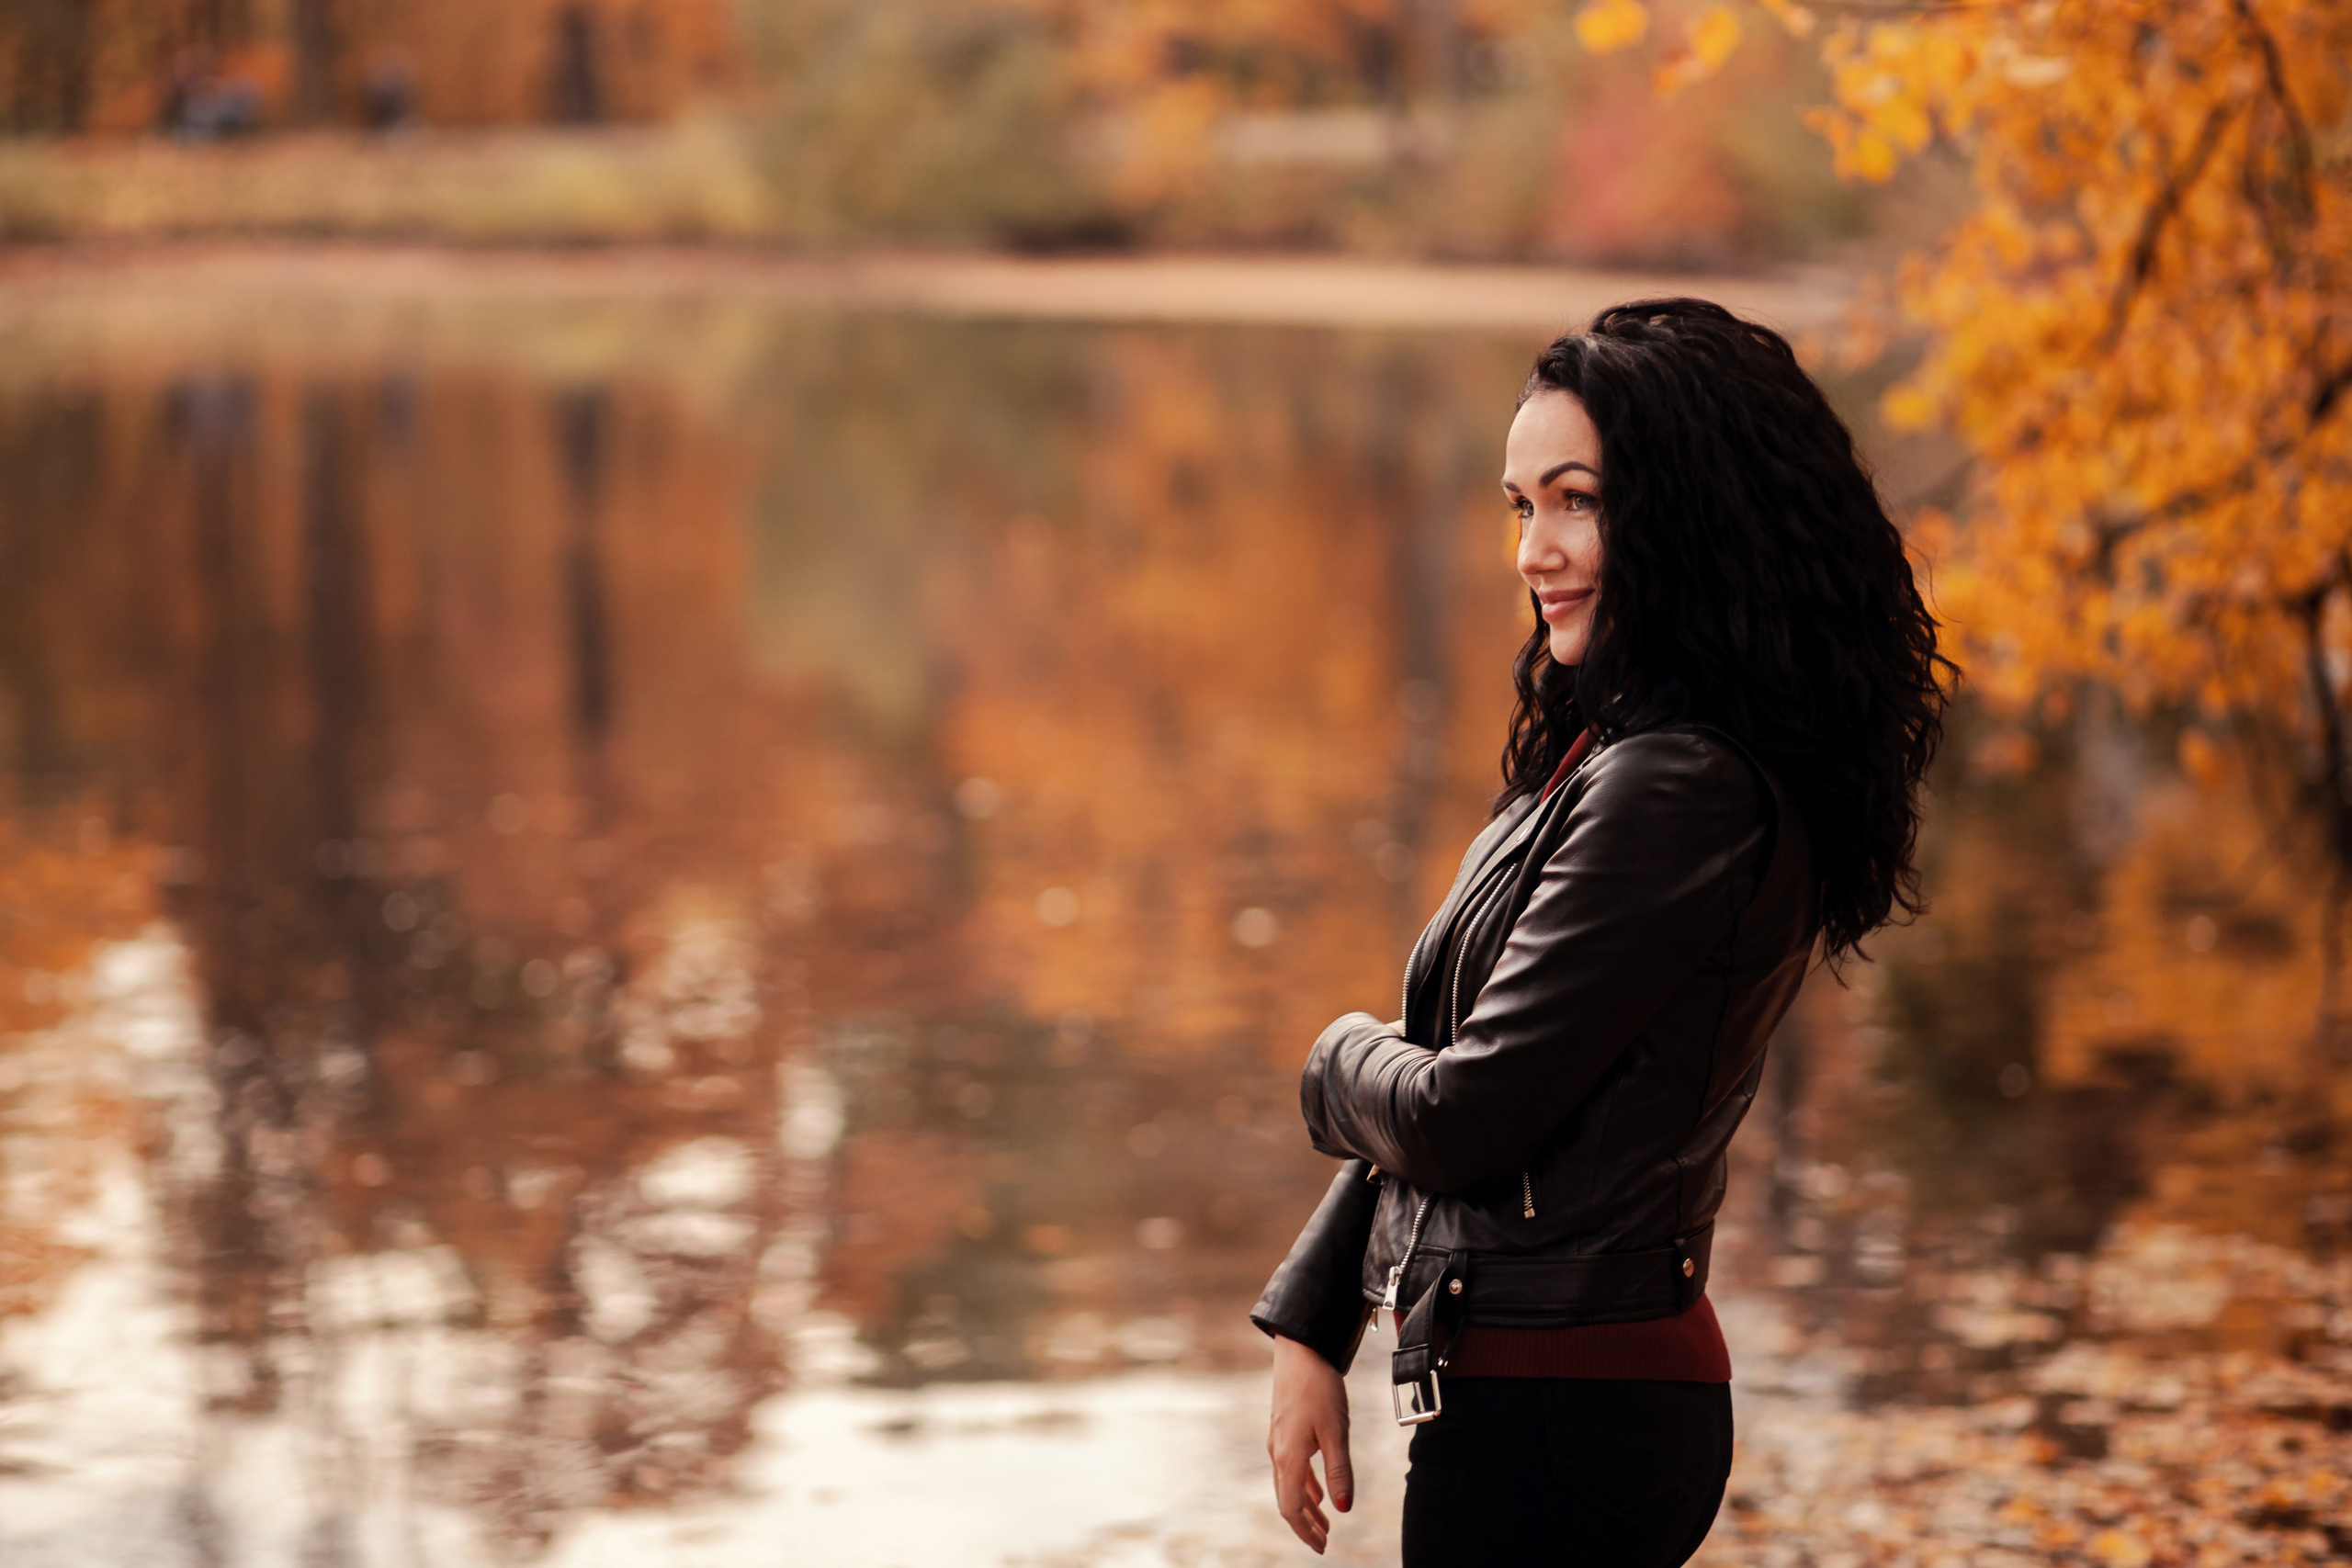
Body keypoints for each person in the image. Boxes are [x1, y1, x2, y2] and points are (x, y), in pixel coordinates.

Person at [1252, 299, 1952, 1564]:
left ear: (1688, 515)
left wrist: (1329, 1057)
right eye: (1522, 506)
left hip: (1565, 1416)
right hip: (1539, 1395)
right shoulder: (1613, 755)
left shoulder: (1677, 786)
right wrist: (1316, 1316)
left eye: (1577, 501)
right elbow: (1480, 1064)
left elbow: (1463, 1110)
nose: (1535, 550)